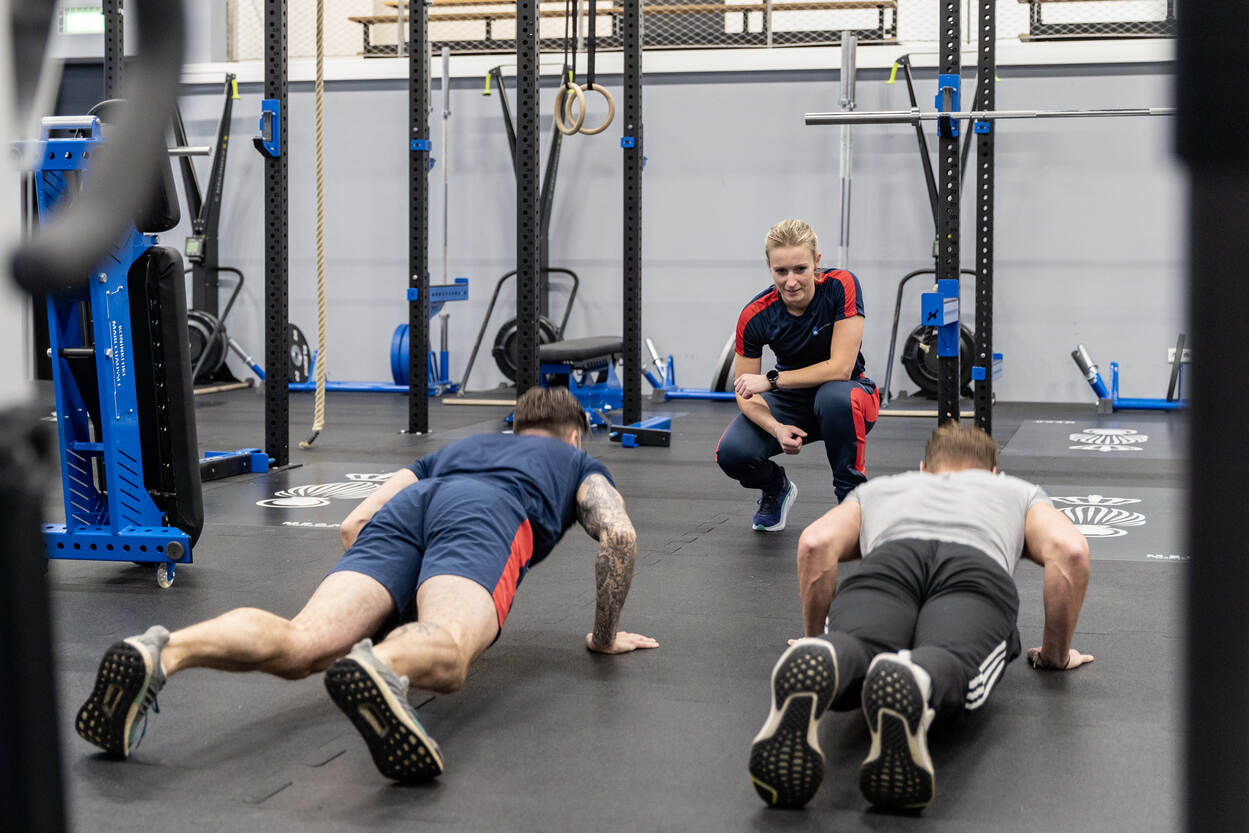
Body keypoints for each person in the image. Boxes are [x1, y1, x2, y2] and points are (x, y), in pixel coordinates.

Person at [74, 387, 657, 782]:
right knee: (449, 653)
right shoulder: (580, 466)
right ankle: (384, 668)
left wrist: (389, 590)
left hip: (408, 510)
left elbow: (358, 520)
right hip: (488, 514)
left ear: (520, 425)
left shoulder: (461, 448)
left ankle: (162, 651)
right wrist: (604, 636)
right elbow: (620, 537)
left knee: (303, 641)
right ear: (575, 434)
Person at [747, 422, 1092, 811]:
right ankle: (920, 674)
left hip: (890, 561)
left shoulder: (883, 489)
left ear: (925, 468)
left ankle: (832, 653)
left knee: (857, 646)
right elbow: (1071, 553)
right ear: (993, 473)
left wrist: (814, 637)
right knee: (952, 658)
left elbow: (814, 544)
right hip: (972, 569)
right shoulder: (1016, 491)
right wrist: (1055, 656)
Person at [716, 219, 879, 533]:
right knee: (732, 454)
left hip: (850, 394)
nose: (791, 281)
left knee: (834, 396)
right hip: (791, 403)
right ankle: (776, 487)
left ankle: (852, 503)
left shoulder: (841, 285)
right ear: (769, 267)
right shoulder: (755, 315)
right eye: (781, 271)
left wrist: (772, 380)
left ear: (817, 262)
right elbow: (745, 393)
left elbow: (840, 368)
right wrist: (776, 428)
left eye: (800, 269)